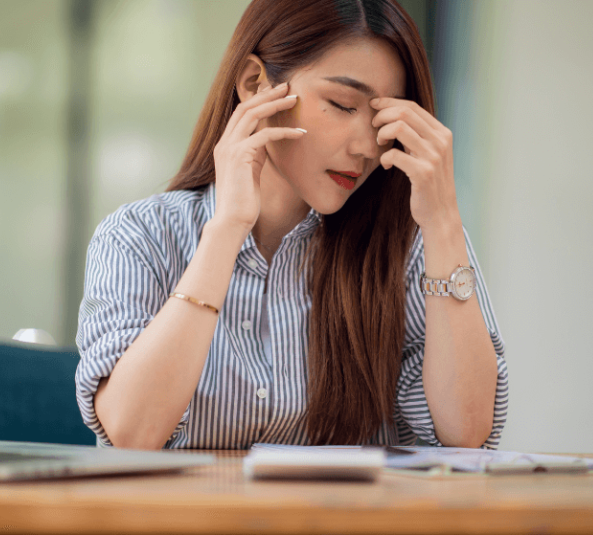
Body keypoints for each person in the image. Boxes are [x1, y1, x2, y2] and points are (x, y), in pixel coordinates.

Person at [76, 0, 508, 450]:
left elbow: (467, 435)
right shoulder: (140, 236)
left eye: (383, 121)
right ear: (254, 83)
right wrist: (227, 229)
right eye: (342, 104)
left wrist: (444, 222)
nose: (367, 147)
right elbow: (132, 432)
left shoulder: (415, 245)